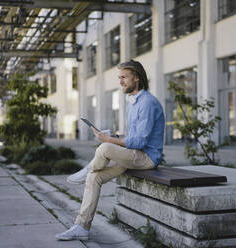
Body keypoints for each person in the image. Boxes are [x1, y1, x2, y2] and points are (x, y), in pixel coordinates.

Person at [55, 60, 165, 241]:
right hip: (132, 156)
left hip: (147, 158)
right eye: (119, 78)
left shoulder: (147, 103)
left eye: (124, 77)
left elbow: (140, 141)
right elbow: (132, 136)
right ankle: (81, 226)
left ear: (136, 78)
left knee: (105, 147)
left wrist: (110, 140)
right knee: (95, 177)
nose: (120, 81)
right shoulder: (133, 103)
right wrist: (114, 135)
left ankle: (88, 168)